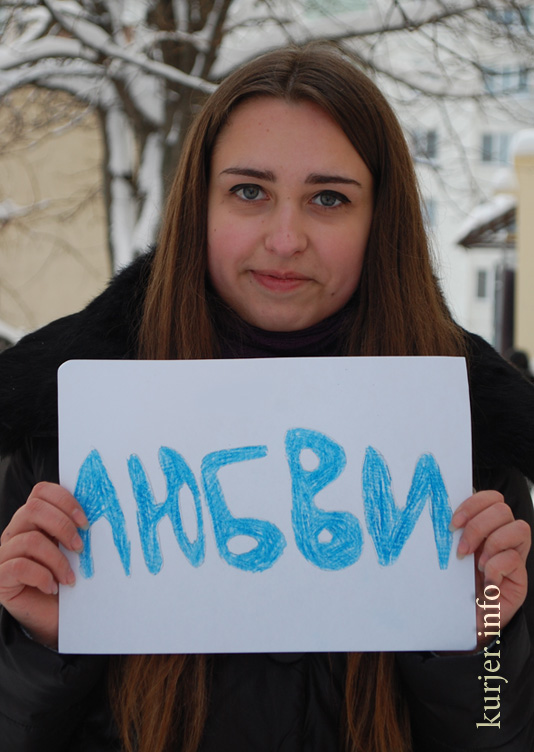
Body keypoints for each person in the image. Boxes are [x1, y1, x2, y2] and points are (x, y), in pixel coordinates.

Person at [0, 44, 533, 752]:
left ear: (381, 221)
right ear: (199, 206)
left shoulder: (468, 449)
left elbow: (501, 732)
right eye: (249, 191)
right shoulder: (64, 436)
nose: (285, 240)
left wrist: (481, 648)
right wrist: (41, 647)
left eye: (329, 198)